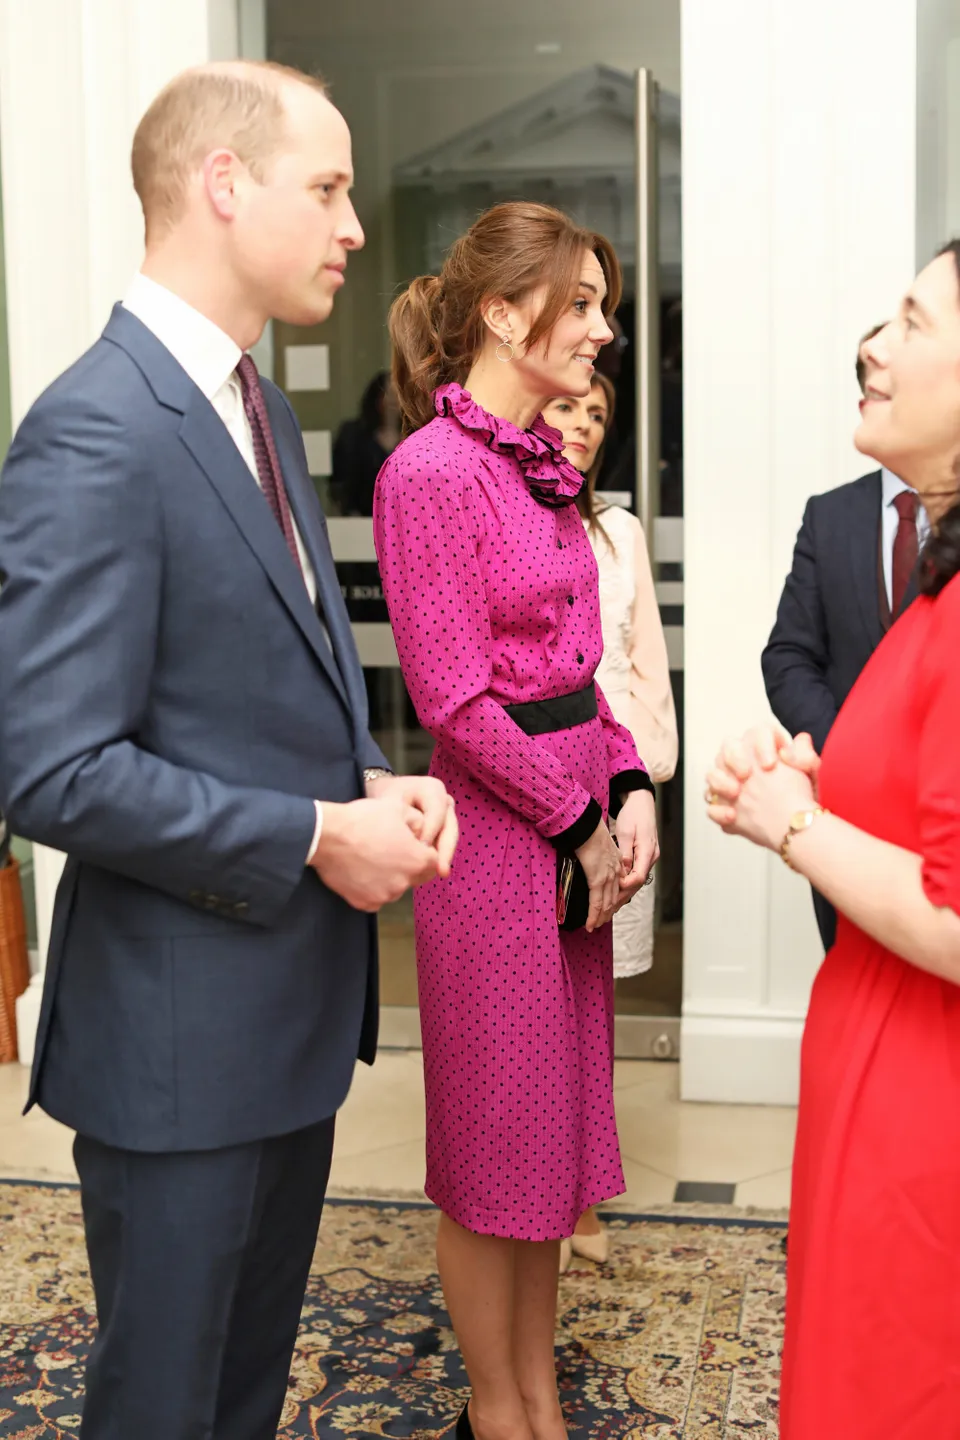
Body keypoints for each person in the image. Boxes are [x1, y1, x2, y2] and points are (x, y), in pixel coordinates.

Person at [0, 61, 457, 1440]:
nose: (353, 226)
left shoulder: (248, 408)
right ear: (221, 184)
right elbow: (49, 766)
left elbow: (228, 700)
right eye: (324, 187)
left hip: (278, 1034)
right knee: (163, 1407)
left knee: (240, 1401)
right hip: (176, 1049)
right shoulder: (95, 426)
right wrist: (321, 836)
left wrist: (361, 785)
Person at [373, 201, 660, 1440]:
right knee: (494, 1158)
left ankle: (540, 1400)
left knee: (545, 1159)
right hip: (491, 858)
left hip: (567, 850)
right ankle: (500, 1411)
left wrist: (630, 787)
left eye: (603, 304)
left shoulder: (536, 464)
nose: (604, 330)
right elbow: (455, 698)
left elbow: (577, 670)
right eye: (582, 304)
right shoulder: (429, 474)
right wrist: (574, 822)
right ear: (501, 313)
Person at [705, 239, 960, 1438]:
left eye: (908, 321)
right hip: (883, 1078)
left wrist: (791, 820)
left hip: (924, 1112)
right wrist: (821, 775)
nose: (873, 343)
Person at [543, 373, 677, 1271]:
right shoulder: (503, 509)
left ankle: (583, 1196)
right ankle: (534, 1189)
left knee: (595, 1004)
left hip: (619, 787)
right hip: (540, 785)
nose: (584, 426)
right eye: (568, 408)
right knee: (537, 1003)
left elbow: (647, 665)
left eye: (598, 415)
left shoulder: (618, 530)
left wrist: (648, 782)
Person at [761, 323, 929, 951]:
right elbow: (788, 655)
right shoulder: (828, 516)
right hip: (845, 803)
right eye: (869, 375)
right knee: (852, 975)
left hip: (944, 801)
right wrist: (846, 749)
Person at [330, 369, 401, 515]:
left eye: (399, 394)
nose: (394, 401)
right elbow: (339, 484)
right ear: (376, 398)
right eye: (389, 394)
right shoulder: (353, 435)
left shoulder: (414, 438)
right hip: (360, 523)